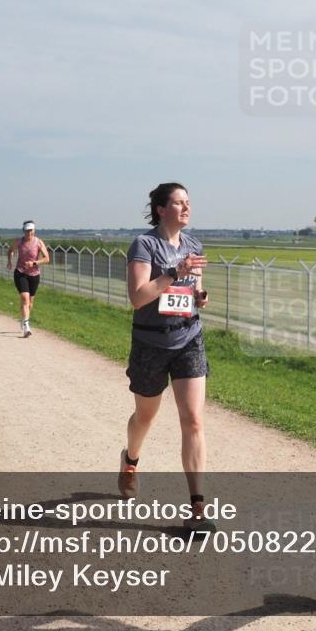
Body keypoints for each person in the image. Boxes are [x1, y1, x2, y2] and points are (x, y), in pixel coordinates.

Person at [119, 182, 212, 533]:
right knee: (146, 416)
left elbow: (192, 289)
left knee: (193, 420)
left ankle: (198, 508)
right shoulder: (145, 245)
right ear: (161, 209)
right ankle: (130, 460)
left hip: (188, 337)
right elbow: (138, 297)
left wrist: (199, 295)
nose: (187, 208)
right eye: (178, 203)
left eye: (189, 201)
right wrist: (175, 272)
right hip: (150, 343)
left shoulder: (193, 245)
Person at [6, 220, 50, 337]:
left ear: (34, 230)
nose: (29, 233)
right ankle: (26, 326)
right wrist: (10, 261)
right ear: (23, 231)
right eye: (27, 230)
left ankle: (24, 319)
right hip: (20, 272)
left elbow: (47, 259)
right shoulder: (18, 242)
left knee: (30, 302)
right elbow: (10, 250)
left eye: (31, 230)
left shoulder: (39, 242)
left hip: (34, 274)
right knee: (25, 297)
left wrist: (34, 263)